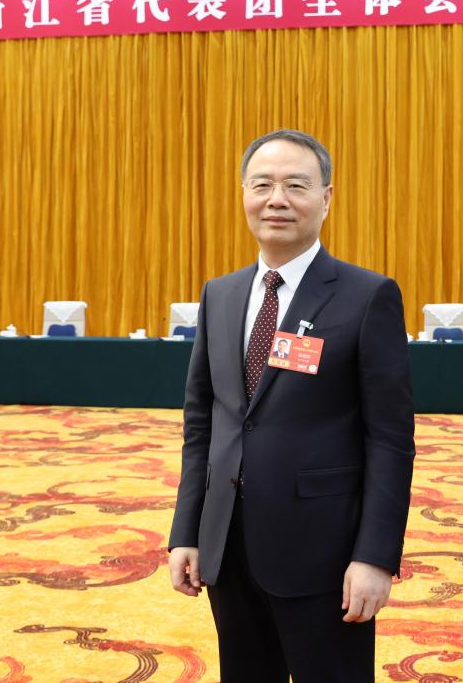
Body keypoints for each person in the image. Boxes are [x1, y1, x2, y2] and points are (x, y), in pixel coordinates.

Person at [167, 129, 416, 683]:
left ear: (325, 199)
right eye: (262, 185)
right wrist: (187, 531)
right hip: (228, 552)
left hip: (325, 556)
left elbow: (390, 439)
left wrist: (375, 556)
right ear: (244, 194)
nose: (276, 199)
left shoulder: (367, 296)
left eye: (295, 186)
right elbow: (203, 425)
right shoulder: (220, 294)